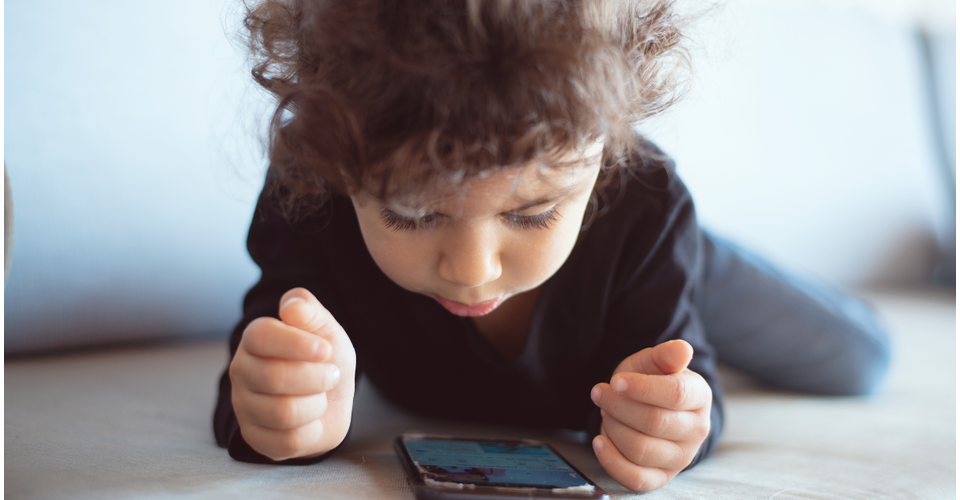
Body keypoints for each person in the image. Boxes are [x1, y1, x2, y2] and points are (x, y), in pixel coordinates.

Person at [213, 0, 891, 492]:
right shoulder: (312, 187)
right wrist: (276, 411)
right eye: (413, 215)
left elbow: (692, 397)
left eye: (533, 211)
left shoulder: (642, 206)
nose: (473, 273)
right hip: (612, 239)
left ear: (604, 156)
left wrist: (676, 421)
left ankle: (690, 256)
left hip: (631, 249)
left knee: (860, 361)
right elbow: (256, 375)